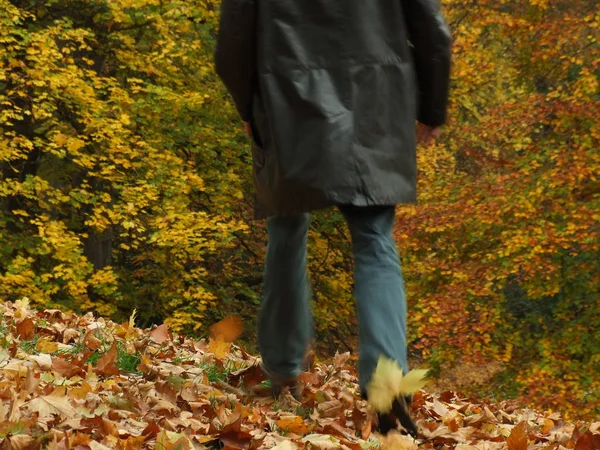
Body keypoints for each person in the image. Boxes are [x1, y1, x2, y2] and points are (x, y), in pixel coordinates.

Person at [215, 0, 451, 437]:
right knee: (375, 240)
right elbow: (433, 33)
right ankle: (386, 386)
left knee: (286, 225)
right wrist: (432, 107)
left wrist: (247, 106)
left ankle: (284, 369)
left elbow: (232, 40)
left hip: (286, 98)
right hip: (376, 102)